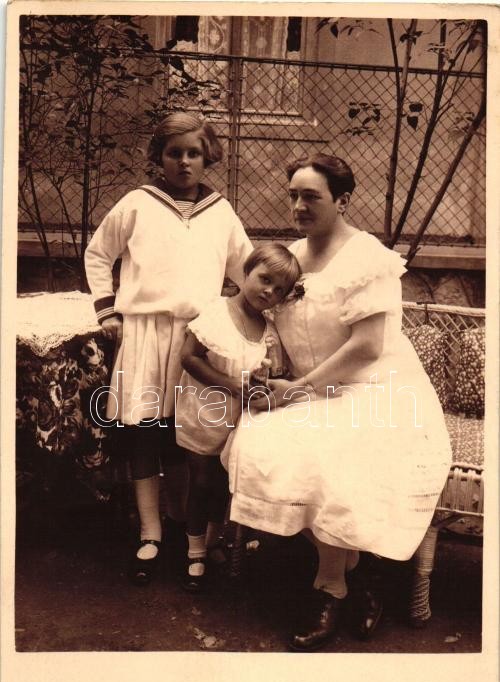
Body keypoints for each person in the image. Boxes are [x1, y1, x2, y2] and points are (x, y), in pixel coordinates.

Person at [222, 153, 452, 651]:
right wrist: (269, 370)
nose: (299, 206)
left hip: (377, 390)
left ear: (343, 200)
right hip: (310, 388)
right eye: (294, 195)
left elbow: (367, 347)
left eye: (312, 196)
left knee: (335, 455)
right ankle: (353, 567)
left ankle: (330, 588)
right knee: (255, 447)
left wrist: (298, 391)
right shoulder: (291, 259)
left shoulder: (366, 258)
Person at [85, 111, 252, 585]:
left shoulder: (221, 211)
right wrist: (107, 309)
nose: (184, 162)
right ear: (158, 157)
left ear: (208, 157)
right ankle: (150, 532)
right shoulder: (137, 203)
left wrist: (265, 311)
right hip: (144, 334)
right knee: (144, 432)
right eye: (174, 152)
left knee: (191, 436)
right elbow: (99, 253)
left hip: (198, 339)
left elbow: (245, 269)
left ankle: (187, 527)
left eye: (193, 153)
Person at [175, 243, 301, 591]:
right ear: (246, 272)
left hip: (238, 421)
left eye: (279, 289)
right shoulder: (218, 313)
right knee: (201, 482)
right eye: (264, 279)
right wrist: (232, 385)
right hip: (204, 413)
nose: (268, 291)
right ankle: (194, 550)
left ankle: (214, 540)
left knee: (222, 484)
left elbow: (263, 371)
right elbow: (189, 357)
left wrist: (262, 383)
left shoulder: (267, 329)